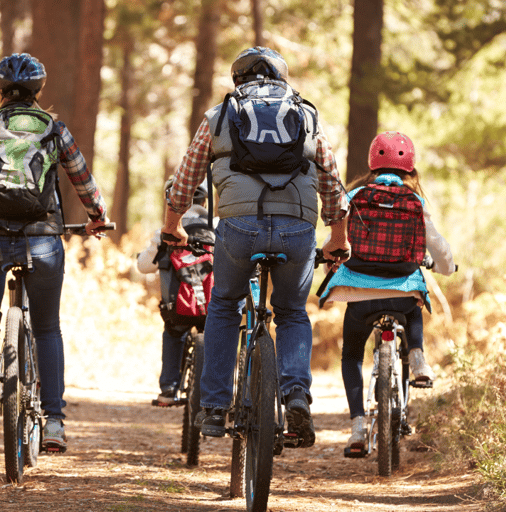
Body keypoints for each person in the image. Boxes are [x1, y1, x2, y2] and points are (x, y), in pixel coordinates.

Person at [162, 46, 350, 447]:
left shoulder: (220, 115)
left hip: (239, 227)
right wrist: (338, 237)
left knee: (224, 304)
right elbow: (332, 182)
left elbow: (185, 181)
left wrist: (172, 227)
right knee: (292, 312)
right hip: (297, 229)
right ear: (282, 79)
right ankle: (295, 394)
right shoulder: (307, 115)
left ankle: (214, 407)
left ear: (237, 80)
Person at [0, 53, 108, 452]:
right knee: (47, 329)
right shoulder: (55, 130)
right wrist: (97, 216)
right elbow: (82, 180)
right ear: (38, 91)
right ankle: (54, 423)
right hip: (43, 241)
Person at [318, 131, 455, 455]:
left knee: (352, 356)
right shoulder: (415, 201)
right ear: (410, 167)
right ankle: (417, 357)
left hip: (359, 293)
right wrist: (447, 268)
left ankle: (357, 428)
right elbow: (437, 246)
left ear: (372, 163)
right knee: (414, 305)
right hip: (402, 290)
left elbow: (336, 240)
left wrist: (328, 265)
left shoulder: (355, 195)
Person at [137, 178, 214, 406]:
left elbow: (144, 266)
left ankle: (169, 389)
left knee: (173, 332)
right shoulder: (216, 226)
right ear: (204, 201)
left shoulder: (165, 232)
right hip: (213, 306)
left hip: (178, 308)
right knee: (219, 334)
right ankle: (217, 394)